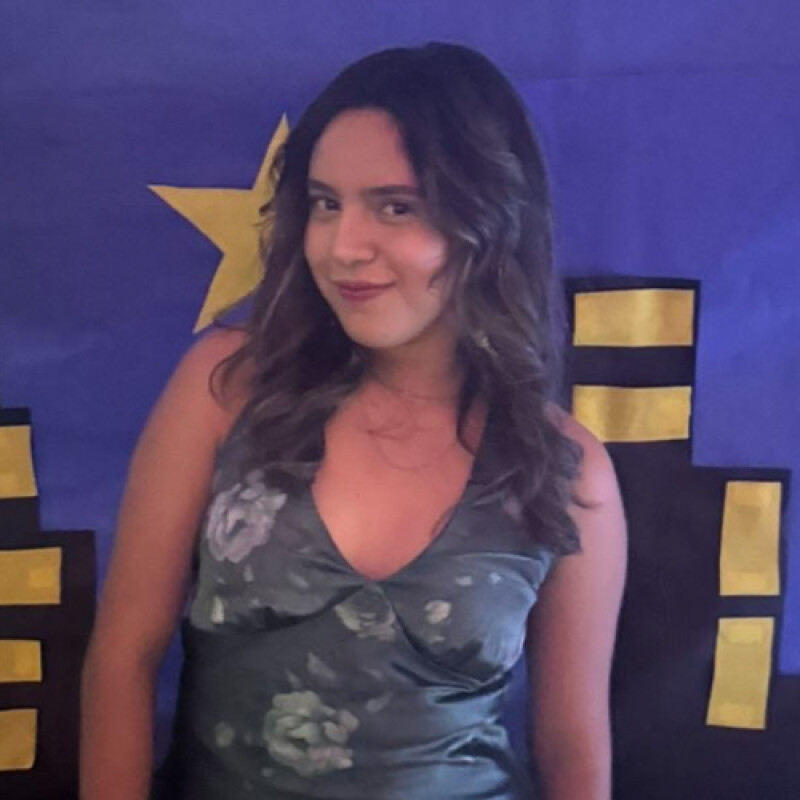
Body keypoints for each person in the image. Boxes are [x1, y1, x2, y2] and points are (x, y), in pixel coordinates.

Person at [80, 42, 627, 800]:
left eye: (396, 207)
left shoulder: (566, 470)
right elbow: (123, 659)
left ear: (491, 221)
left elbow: (572, 753)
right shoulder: (226, 388)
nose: (343, 248)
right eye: (325, 203)